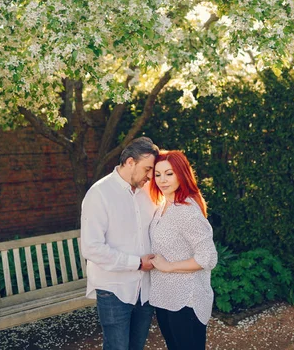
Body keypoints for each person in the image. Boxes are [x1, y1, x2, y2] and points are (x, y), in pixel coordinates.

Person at [80, 137, 160, 350]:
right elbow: (91, 247)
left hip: (144, 289)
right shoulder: (99, 194)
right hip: (114, 290)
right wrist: (137, 263)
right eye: (147, 169)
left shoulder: (147, 192)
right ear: (130, 162)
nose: (150, 176)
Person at [148, 150, 218, 350]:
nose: (163, 180)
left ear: (182, 174)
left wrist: (168, 266)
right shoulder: (162, 205)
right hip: (164, 296)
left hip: (186, 300)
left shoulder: (186, 211)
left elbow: (208, 258)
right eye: (158, 174)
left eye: (169, 173)